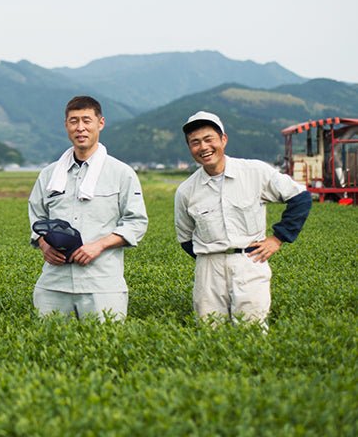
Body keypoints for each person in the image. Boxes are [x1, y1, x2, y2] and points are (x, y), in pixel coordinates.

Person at [174, 111, 312, 325]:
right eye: (195, 142)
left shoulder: (254, 172)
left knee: (252, 331)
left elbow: (301, 198)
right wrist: (212, 256)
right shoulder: (186, 191)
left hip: (249, 262)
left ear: (223, 139)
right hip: (208, 269)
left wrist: (277, 239)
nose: (203, 147)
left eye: (209, 139)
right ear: (190, 148)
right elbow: (185, 238)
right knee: (209, 331)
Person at [28, 96, 148, 321]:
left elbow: (136, 222)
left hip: (102, 284)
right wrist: (43, 245)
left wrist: (99, 245)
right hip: (54, 284)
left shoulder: (121, 173)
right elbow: (37, 217)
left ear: (100, 123)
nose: (80, 128)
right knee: (49, 348)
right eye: (74, 121)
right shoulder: (49, 175)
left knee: (105, 350)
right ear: (66, 125)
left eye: (86, 120)